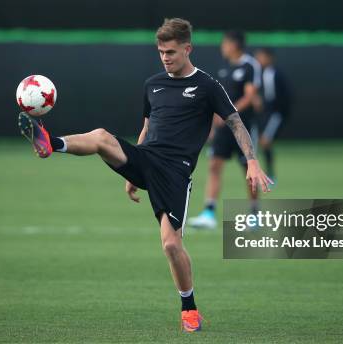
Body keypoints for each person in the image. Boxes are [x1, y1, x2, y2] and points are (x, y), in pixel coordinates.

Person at [17, 18, 272, 332]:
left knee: (171, 245)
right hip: (146, 157)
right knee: (100, 136)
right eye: (161, 52)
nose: (165, 57)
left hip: (176, 173)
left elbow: (235, 122)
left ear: (187, 49)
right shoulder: (153, 84)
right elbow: (147, 128)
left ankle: (189, 309)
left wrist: (252, 161)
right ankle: (50, 144)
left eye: (171, 52)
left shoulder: (207, 85)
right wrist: (131, 173)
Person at [189, 31, 263, 229]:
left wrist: (229, 114)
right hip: (223, 129)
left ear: (234, 44)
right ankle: (209, 213)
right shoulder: (224, 67)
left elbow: (250, 97)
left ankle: (254, 214)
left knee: (249, 169)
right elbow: (219, 99)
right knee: (214, 165)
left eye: (225, 44)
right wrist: (214, 123)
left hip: (242, 128)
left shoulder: (250, 65)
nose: (223, 47)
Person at [254, 48, 291, 181]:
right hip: (265, 114)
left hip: (275, 114)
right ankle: (264, 174)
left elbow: (283, 97)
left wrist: (277, 111)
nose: (258, 60)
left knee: (265, 141)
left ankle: (270, 175)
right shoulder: (258, 74)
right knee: (262, 142)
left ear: (269, 58)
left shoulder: (276, 74)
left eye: (261, 57)